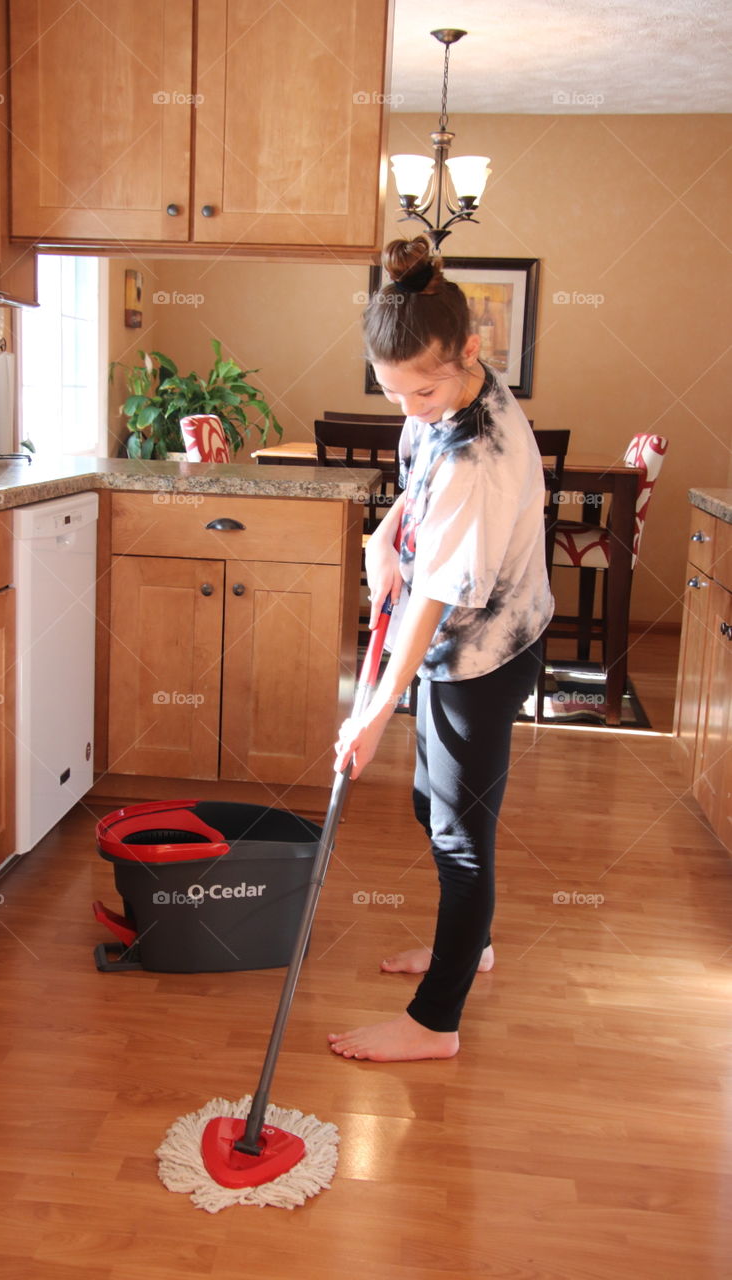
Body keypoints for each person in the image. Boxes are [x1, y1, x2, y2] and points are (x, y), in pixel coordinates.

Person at [328, 236, 553, 1063]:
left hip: (483, 653)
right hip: (456, 638)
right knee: (430, 805)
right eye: (391, 393)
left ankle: (435, 1021)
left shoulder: (477, 458)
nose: (408, 408)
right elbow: (414, 487)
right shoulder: (447, 398)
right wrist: (382, 534)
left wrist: (372, 714)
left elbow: (430, 605)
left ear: (470, 352)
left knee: (460, 837)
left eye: (421, 389)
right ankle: (475, 943)